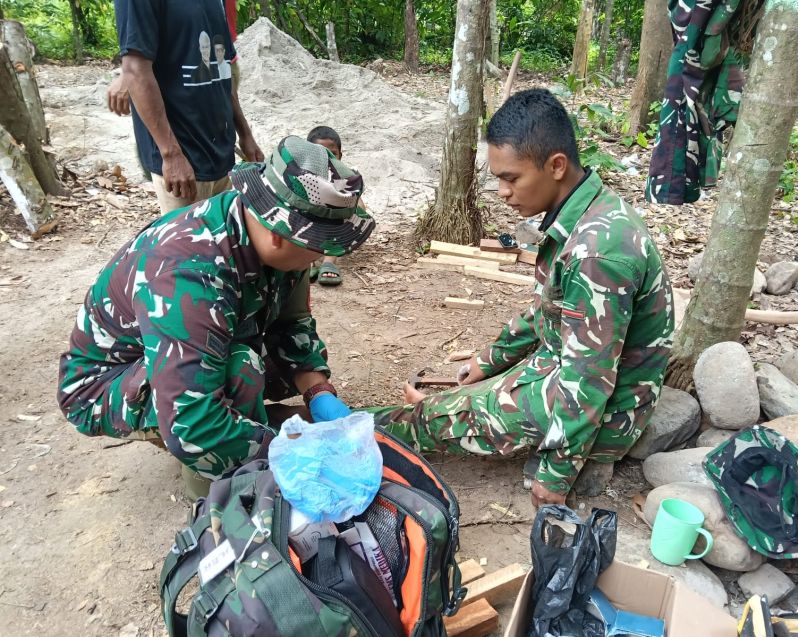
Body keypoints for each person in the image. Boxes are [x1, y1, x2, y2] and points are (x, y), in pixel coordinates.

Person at [370, 89, 675, 507]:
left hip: (609, 407)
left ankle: (363, 430)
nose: (502, 192)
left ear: (556, 166)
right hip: (565, 366)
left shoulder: (597, 252)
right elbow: (547, 310)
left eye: (511, 178)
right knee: (461, 402)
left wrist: (556, 474)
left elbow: (588, 380)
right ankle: (430, 415)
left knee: (437, 419)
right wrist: (490, 360)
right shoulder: (586, 214)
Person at [57, 136, 374, 488]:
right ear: (280, 235)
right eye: (320, 245)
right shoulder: (187, 272)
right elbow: (193, 423)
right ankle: (215, 480)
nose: (321, 256)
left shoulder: (270, 231)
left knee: (272, 367)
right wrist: (289, 454)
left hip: (194, 345)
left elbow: (291, 325)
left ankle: (247, 427)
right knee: (240, 370)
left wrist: (318, 393)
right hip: (104, 385)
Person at [111, 0, 263, 215]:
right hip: (184, 158)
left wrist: (245, 134)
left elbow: (222, 68)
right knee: (188, 235)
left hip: (221, 154)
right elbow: (136, 70)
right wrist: (171, 154)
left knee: (222, 233)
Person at [306, 126, 351, 287]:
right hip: (307, 227)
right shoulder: (302, 177)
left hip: (332, 225)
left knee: (349, 207)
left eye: (333, 154)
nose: (327, 160)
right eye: (320, 154)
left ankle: (329, 261)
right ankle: (307, 261)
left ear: (340, 156)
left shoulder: (342, 178)